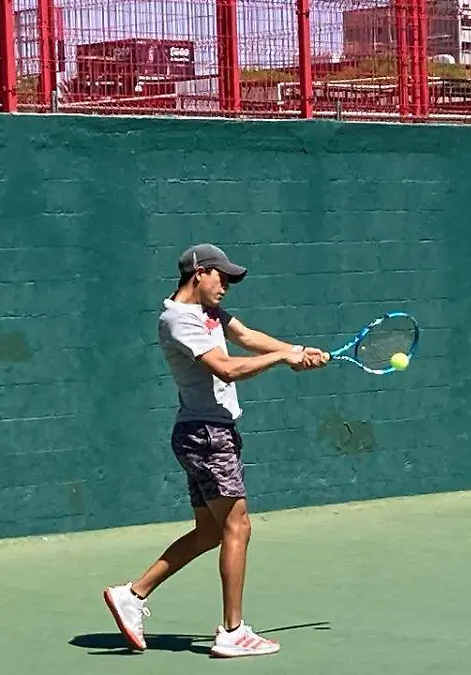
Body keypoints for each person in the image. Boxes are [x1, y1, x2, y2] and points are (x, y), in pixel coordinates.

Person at [103, 243, 329, 658]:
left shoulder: (209, 313)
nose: (225, 286)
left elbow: (244, 337)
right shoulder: (178, 320)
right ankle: (232, 631)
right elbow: (226, 368)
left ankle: (132, 595)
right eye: (221, 277)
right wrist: (282, 358)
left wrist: (295, 350)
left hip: (207, 432)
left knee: (211, 531)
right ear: (198, 273)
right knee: (237, 527)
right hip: (206, 435)